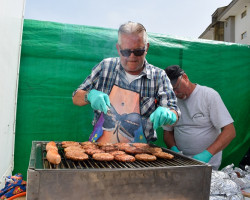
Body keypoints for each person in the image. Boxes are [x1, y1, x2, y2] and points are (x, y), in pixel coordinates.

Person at [72, 21, 180, 144]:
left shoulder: (159, 76)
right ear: (118, 48)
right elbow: (76, 97)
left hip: (139, 155)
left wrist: (169, 115)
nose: (132, 57)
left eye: (138, 51)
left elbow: (174, 111)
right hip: (99, 150)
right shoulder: (105, 67)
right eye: (126, 52)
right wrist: (89, 96)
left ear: (147, 48)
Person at [163, 65, 236, 170]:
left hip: (207, 164)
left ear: (185, 77)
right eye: (171, 91)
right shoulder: (171, 102)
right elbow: (167, 132)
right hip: (180, 163)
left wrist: (207, 154)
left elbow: (230, 131)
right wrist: (174, 150)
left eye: (176, 88)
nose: (175, 93)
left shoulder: (208, 95)